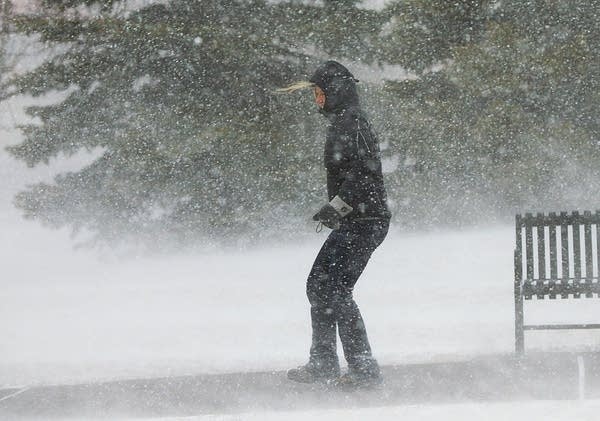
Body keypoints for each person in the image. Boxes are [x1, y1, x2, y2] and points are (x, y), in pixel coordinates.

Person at [279, 61, 392, 388]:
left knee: (333, 288)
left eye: (320, 92)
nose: (317, 98)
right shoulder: (345, 121)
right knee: (321, 286)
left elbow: (364, 175)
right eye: (314, 92)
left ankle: (362, 371)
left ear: (336, 92)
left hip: (365, 221)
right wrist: (338, 209)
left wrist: (337, 207)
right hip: (357, 220)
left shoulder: (351, 123)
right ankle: (325, 363)